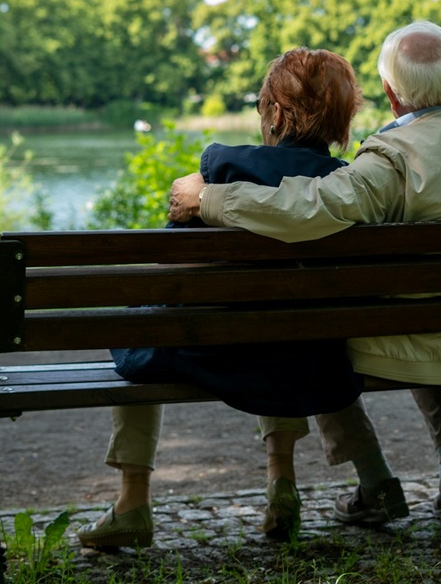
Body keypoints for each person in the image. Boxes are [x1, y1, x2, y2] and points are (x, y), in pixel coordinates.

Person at [168, 20, 441, 526]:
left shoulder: (390, 157)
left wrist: (211, 198)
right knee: (434, 310)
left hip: (414, 338)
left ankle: (374, 481)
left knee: (315, 326)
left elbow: (308, 208)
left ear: (391, 95)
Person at [77, 47, 365, 548]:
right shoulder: (349, 183)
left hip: (209, 348)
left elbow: (170, 268)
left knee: (141, 322)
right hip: (304, 356)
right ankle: (281, 480)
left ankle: (132, 501)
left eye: (261, 105)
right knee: (282, 331)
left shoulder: (223, 168)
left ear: (276, 112)